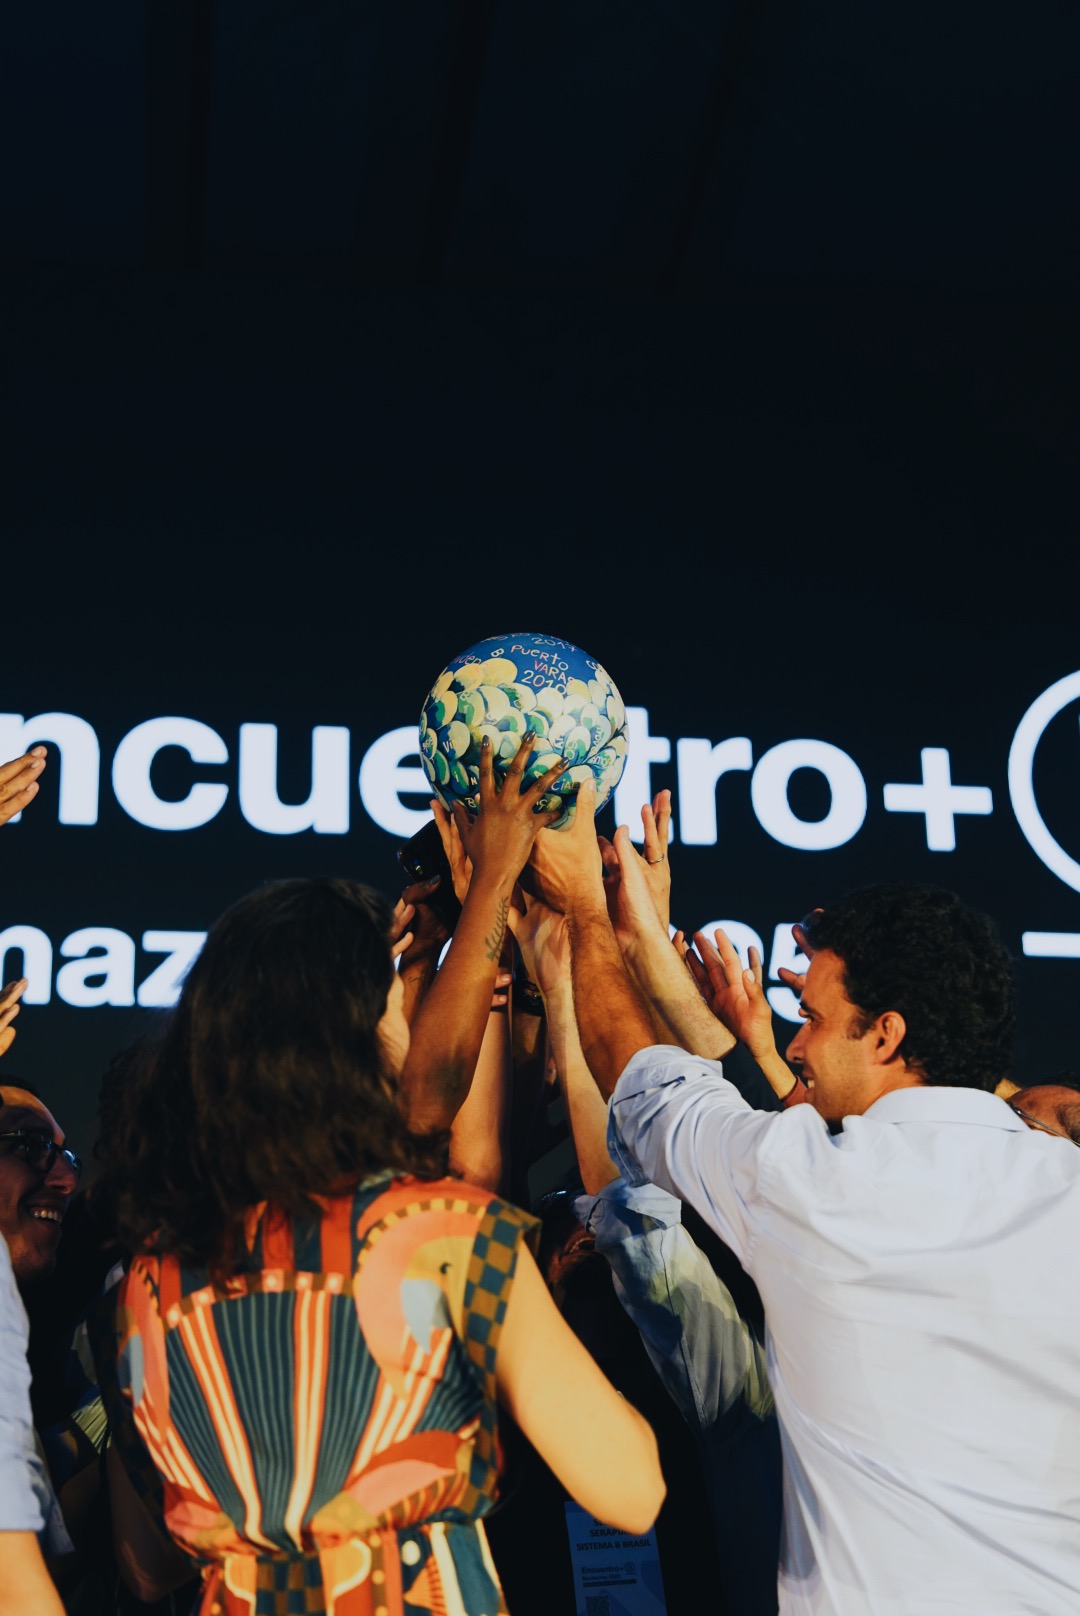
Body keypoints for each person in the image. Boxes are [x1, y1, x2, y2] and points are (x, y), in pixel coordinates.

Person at [93, 738, 664, 1616]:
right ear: (360, 1032)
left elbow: (147, 1564)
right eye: (393, 994)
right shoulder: (443, 1238)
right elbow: (630, 1489)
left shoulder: (144, 1285)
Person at [528, 785, 1080, 1615]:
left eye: (813, 1017)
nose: (793, 1043)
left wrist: (582, 907)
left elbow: (645, 1085)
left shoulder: (813, 1182)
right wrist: (641, 940)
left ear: (886, 1034)